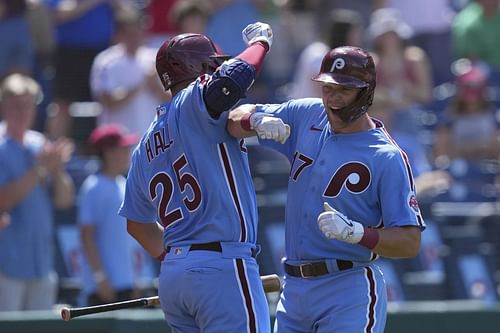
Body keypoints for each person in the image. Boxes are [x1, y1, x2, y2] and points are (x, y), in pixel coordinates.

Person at [227, 46, 425, 332]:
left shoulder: (386, 156)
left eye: (344, 89)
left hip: (348, 286)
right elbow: (234, 118)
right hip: (293, 290)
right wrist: (254, 120)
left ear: (365, 92)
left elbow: (409, 242)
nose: (333, 97)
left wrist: (358, 233)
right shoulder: (307, 114)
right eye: (328, 87)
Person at [118, 23, 289, 332]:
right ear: (201, 68)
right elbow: (232, 80)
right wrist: (261, 42)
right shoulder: (192, 103)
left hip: (174, 274)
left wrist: (182, 262)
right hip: (222, 264)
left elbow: (137, 224)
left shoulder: (144, 144)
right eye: (213, 64)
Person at [0, 73, 75, 311]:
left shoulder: (39, 143)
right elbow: (3, 200)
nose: (23, 112)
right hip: (6, 265)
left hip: (42, 263)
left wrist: (57, 170)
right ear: (4, 106)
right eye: (16, 105)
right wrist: (41, 169)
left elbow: (64, 201)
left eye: (28, 105)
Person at [78, 123, 148, 306]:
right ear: (108, 152)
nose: (127, 153)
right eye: (122, 148)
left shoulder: (123, 184)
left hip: (127, 283)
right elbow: (87, 237)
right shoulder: (93, 187)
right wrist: (100, 278)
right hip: (104, 287)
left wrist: (135, 277)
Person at [90, 7, 166, 136]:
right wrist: (140, 85)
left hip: (151, 139)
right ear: (119, 34)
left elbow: (172, 99)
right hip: (118, 141)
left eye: (137, 31)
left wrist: (156, 87)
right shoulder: (105, 61)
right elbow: (109, 101)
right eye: (129, 33)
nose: (134, 37)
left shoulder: (155, 58)